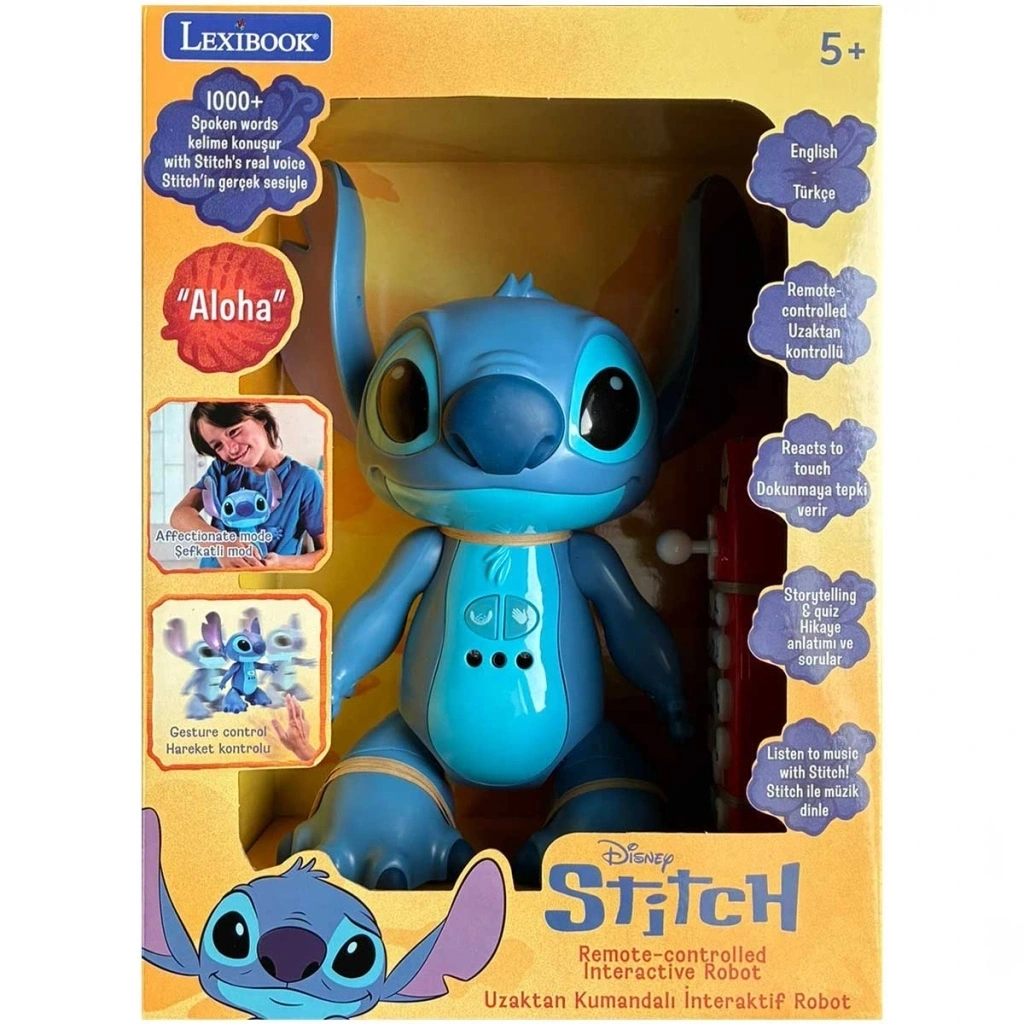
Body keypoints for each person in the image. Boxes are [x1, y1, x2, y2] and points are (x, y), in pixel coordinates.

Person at [170, 402, 326, 570]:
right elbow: (179, 514)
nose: (231, 449)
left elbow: (326, 553)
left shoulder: (305, 481)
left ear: (260, 418)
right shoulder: (221, 470)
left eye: (234, 432)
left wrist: (280, 563)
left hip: (268, 583)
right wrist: (218, 541)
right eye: (218, 446)